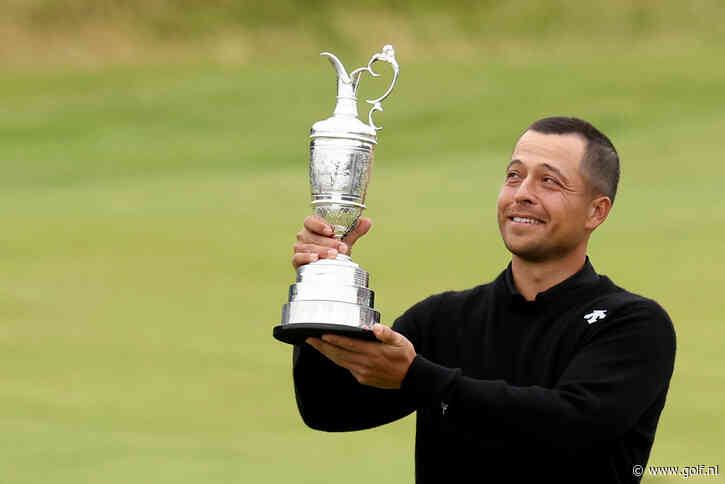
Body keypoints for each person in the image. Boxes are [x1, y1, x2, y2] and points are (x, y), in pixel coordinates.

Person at [288, 117, 676, 483]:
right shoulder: (445, 319)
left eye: (549, 182)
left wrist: (419, 378)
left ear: (596, 211)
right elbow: (329, 408)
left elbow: (573, 425)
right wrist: (320, 285)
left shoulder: (633, 325)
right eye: (514, 176)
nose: (523, 194)